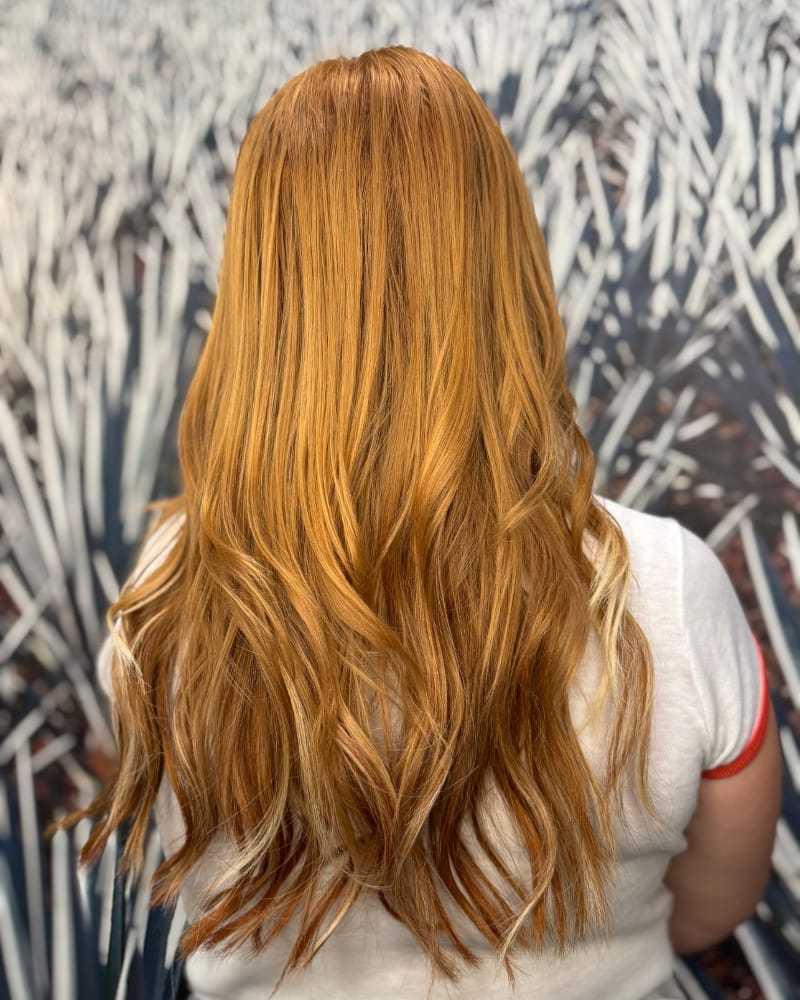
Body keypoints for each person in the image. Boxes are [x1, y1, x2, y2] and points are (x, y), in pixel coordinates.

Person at [47, 45, 782, 1000]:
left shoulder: (167, 592)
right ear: (504, 262)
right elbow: (713, 907)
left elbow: (185, 884)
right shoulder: (669, 583)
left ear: (265, 288)